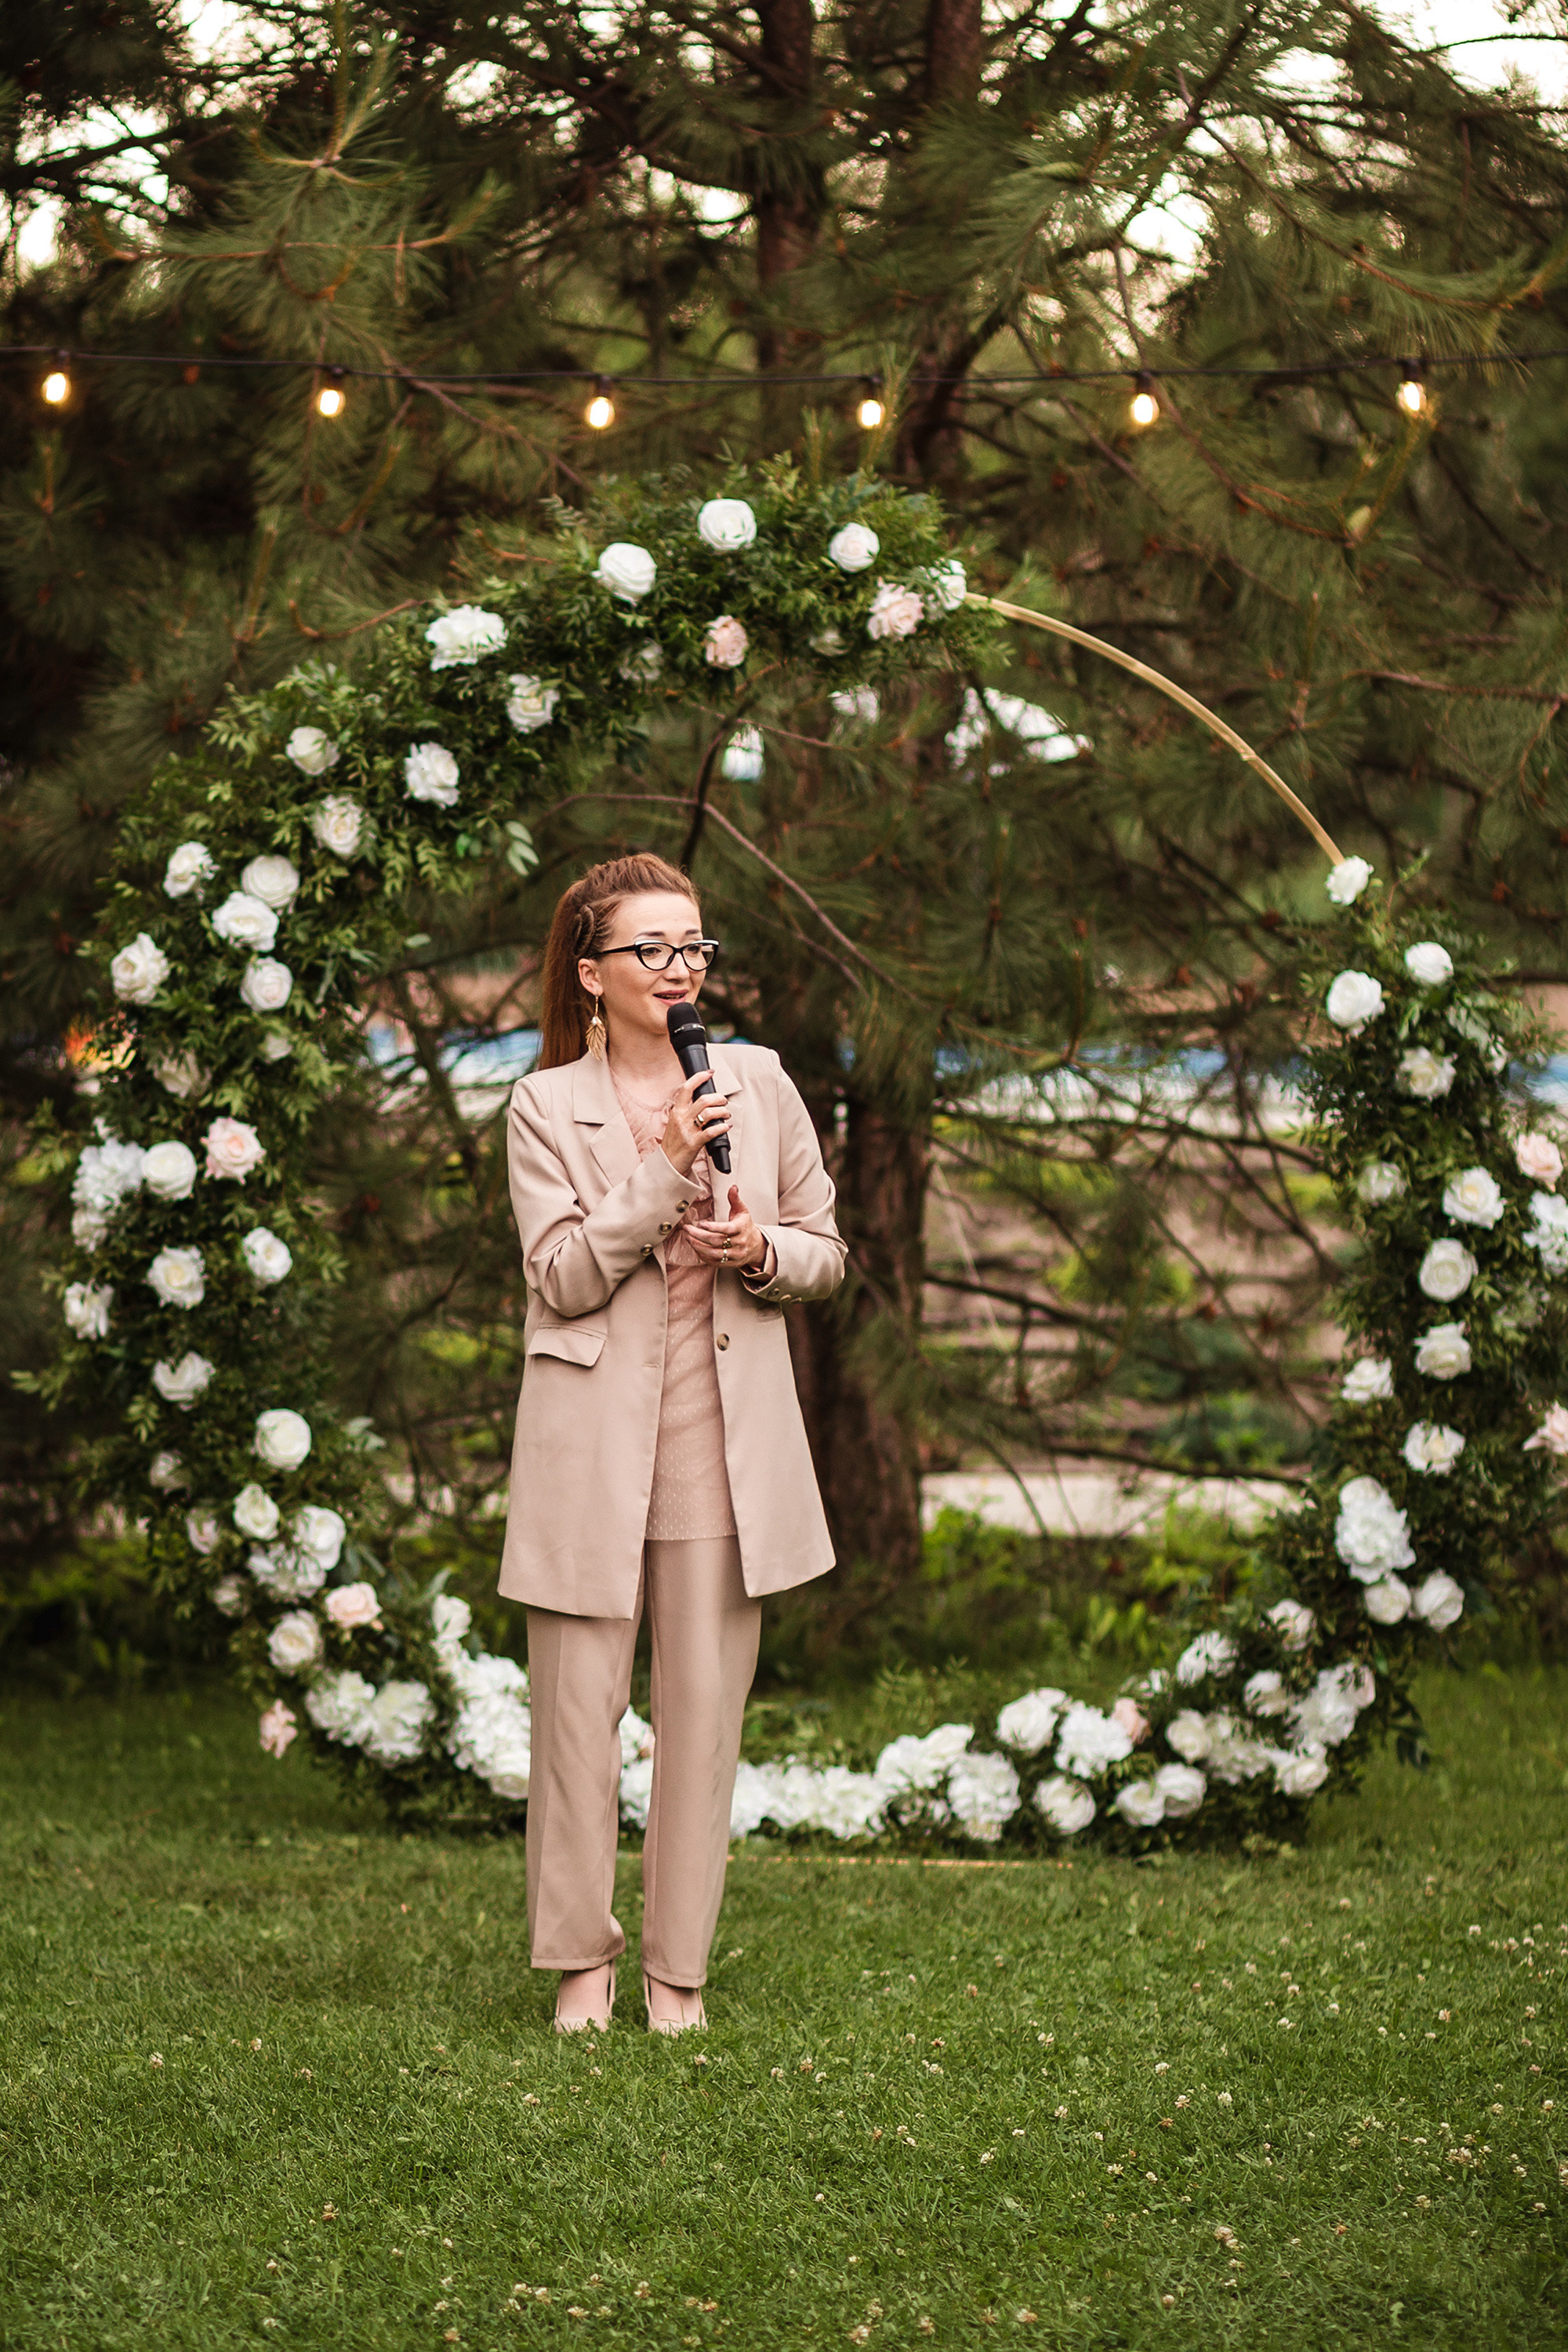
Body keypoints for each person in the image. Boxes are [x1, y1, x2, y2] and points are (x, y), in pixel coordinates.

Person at [499, 851, 846, 2034]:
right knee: (575, 1720)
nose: (680, 967)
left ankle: (676, 1973)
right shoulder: (545, 1106)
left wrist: (762, 1250)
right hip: (588, 1445)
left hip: (719, 1443)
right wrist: (661, 1170)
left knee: (702, 1717)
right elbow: (561, 1277)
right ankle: (580, 1964)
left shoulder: (759, 1079)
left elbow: (825, 1251)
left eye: (694, 945)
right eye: (651, 949)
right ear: (592, 974)